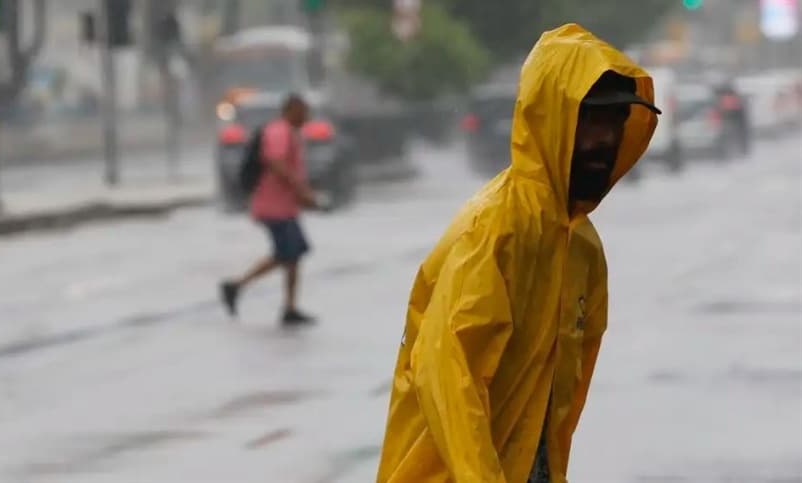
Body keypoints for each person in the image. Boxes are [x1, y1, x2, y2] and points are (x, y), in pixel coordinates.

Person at [376, 24, 661, 483]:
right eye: (590, 119)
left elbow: (556, 401)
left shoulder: (581, 247)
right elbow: (448, 372)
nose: (604, 139)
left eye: (614, 121)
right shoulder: (497, 229)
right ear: (551, 117)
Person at [221, 94, 318, 326]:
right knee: (287, 253)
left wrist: (300, 194)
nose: (307, 117)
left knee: (293, 254)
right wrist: (301, 189)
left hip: (284, 206)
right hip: (273, 207)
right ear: (292, 110)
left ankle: (289, 307)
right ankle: (236, 286)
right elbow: (276, 162)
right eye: (304, 112)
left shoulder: (288, 132)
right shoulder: (279, 131)